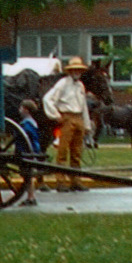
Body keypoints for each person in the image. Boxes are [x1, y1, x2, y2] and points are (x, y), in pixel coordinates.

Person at [42, 56, 91, 191]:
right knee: (62, 151)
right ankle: (61, 182)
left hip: (78, 118)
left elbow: (84, 106)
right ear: (70, 71)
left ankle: (76, 180)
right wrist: (55, 115)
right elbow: (48, 99)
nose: (76, 72)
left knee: (77, 152)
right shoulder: (62, 83)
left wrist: (87, 125)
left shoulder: (80, 86)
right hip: (67, 118)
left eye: (79, 70)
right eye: (74, 70)